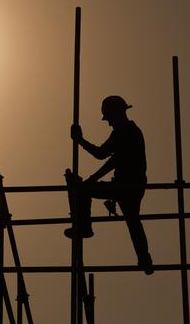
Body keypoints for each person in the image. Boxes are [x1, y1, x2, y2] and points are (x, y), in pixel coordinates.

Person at [65, 95, 153, 275]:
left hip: (125, 186)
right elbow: (113, 161)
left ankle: (84, 228)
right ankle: (145, 260)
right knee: (133, 221)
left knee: (83, 191)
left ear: (115, 114)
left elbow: (101, 154)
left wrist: (80, 140)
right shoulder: (131, 131)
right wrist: (92, 179)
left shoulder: (124, 132)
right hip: (132, 186)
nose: (109, 123)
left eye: (109, 118)